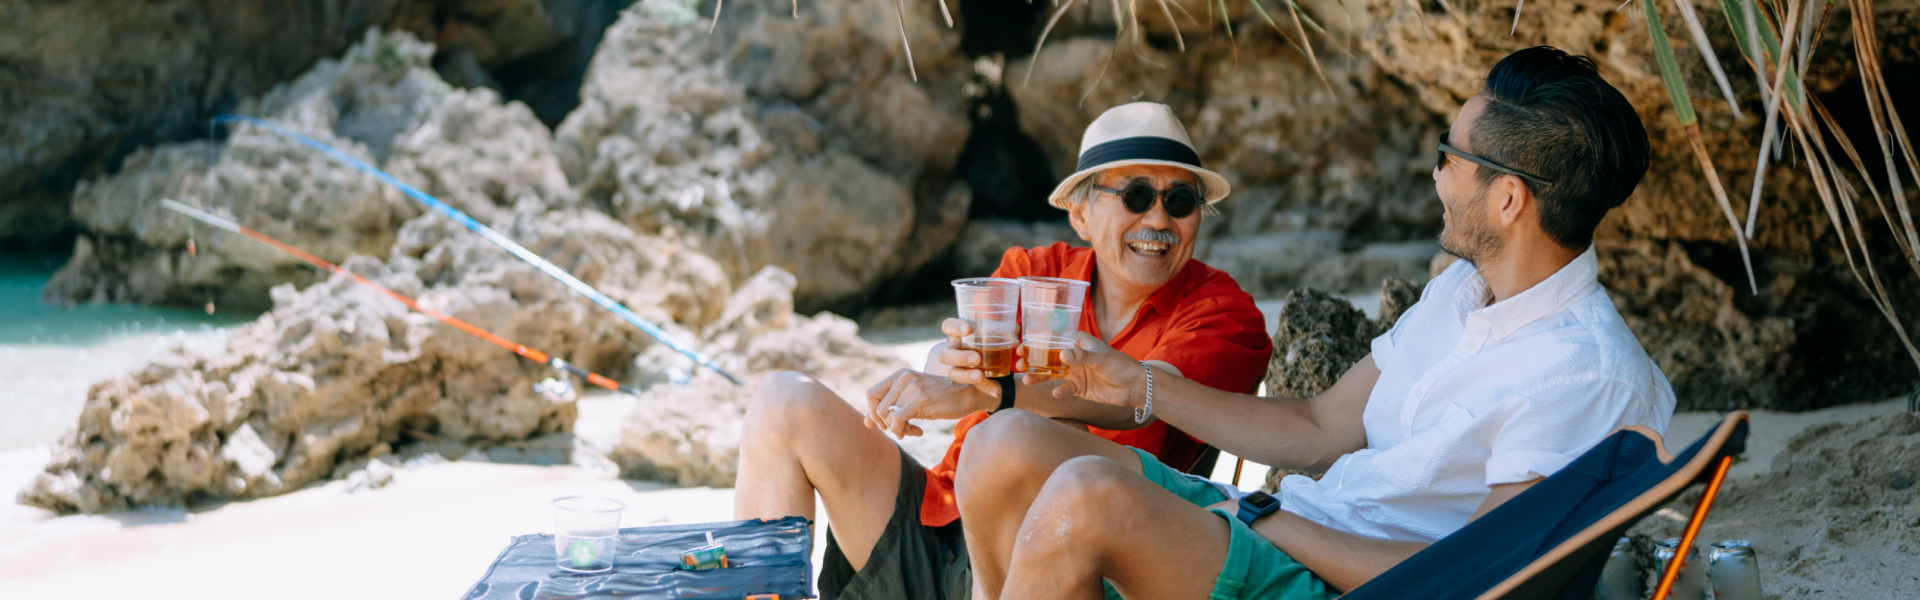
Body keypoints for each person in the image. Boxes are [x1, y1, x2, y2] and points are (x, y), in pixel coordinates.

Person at [960, 46, 1679, 600]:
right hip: (1295, 526)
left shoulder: (1583, 372)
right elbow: (1317, 429)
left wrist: (1261, 516)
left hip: (1337, 578)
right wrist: (1137, 383)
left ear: (1509, 201)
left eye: (1447, 157)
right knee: (1005, 442)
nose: (1435, 178)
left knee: (1086, 497)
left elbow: (1468, 575)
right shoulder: (1462, 293)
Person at [731, 102, 1275, 599]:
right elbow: (953, 363)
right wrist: (939, 376)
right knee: (783, 401)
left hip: (1069, 556)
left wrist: (995, 395)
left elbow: (1136, 398)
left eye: (1179, 201)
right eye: (1135, 196)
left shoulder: (1223, 314)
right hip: (943, 524)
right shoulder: (1033, 272)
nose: (1158, 220)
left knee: (1013, 438)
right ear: (1081, 215)